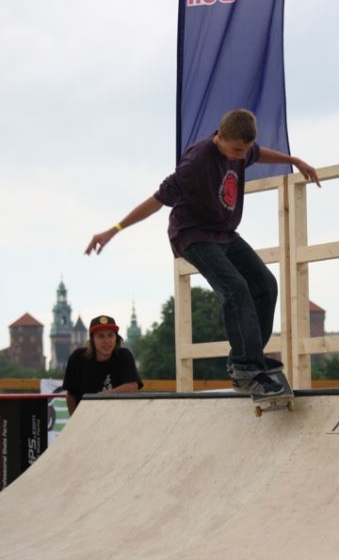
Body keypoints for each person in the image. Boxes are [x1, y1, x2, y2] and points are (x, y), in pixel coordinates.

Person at [85, 109, 319, 395]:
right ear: (219, 137)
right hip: (192, 235)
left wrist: (293, 160)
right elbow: (157, 201)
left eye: (244, 151)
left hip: (224, 233)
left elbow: (259, 153)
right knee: (235, 287)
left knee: (266, 285)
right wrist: (114, 229)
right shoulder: (195, 163)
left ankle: (245, 358)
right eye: (235, 150)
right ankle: (247, 367)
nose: (239, 156)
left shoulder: (242, 149)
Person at [63, 315, 143, 414]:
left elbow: (132, 386)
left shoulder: (124, 355)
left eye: (110, 335)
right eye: (101, 336)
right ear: (92, 339)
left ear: (116, 338)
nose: (106, 341)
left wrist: (103, 396)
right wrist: (75, 420)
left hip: (117, 417)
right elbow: (70, 395)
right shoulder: (77, 358)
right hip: (85, 418)